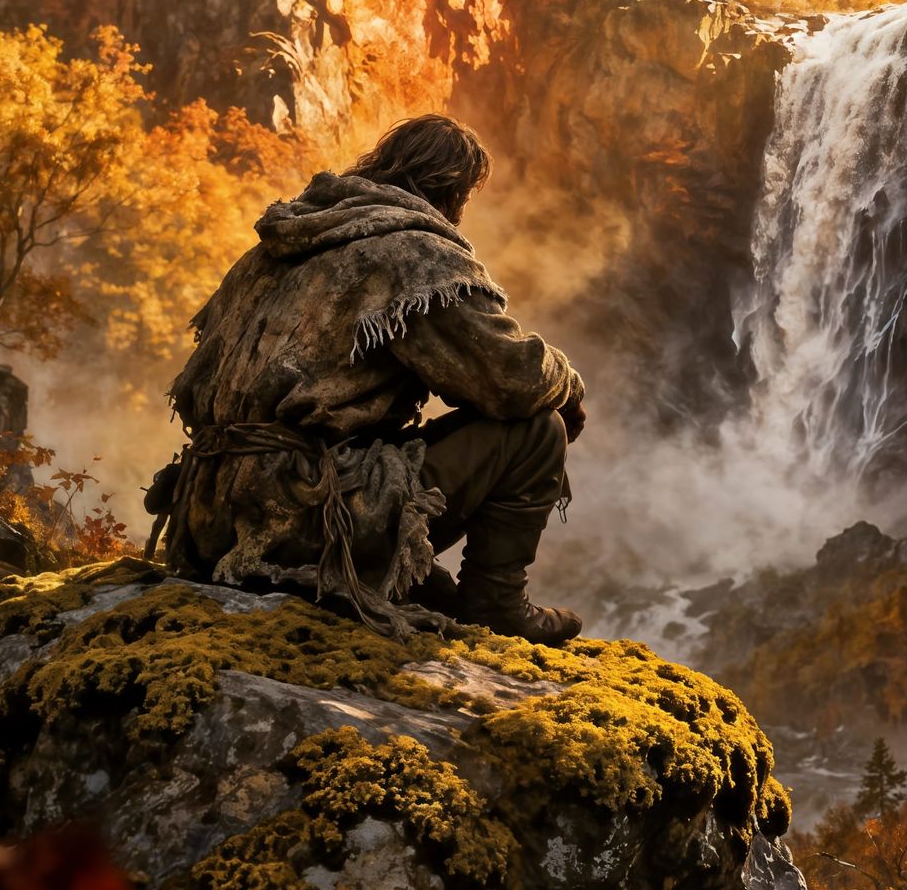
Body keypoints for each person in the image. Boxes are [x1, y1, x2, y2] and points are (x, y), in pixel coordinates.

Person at [147, 114, 585, 644]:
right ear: (456, 192)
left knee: (379, 441)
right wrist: (569, 386)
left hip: (205, 525)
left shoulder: (272, 249)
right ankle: (496, 601)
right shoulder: (410, 252)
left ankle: (396, 578)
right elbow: (509, 378)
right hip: (301, 521)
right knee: (536, 432)